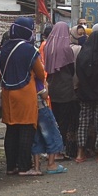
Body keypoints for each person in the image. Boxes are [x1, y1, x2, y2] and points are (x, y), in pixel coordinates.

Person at [0, 17, 45, 176]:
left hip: (7, 93)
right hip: (25, 93)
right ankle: (24, 167)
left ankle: (11, 166)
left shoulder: (4, 48)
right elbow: (40, 72)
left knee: (11, 130)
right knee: (26, 129)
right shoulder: (29, 50)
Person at [75, 30, 98, 163]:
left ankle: (80, 152)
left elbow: (78, 73)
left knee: (83, 121)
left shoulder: (81, 55)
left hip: (84, 93)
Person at [43, 22, 79, 160]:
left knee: (54, 119)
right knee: (64, 121)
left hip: (52, 86)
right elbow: (71, 69)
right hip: (65, 87)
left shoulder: (48, 46)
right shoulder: (66, 48)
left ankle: (52, 149)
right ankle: (59, 150)